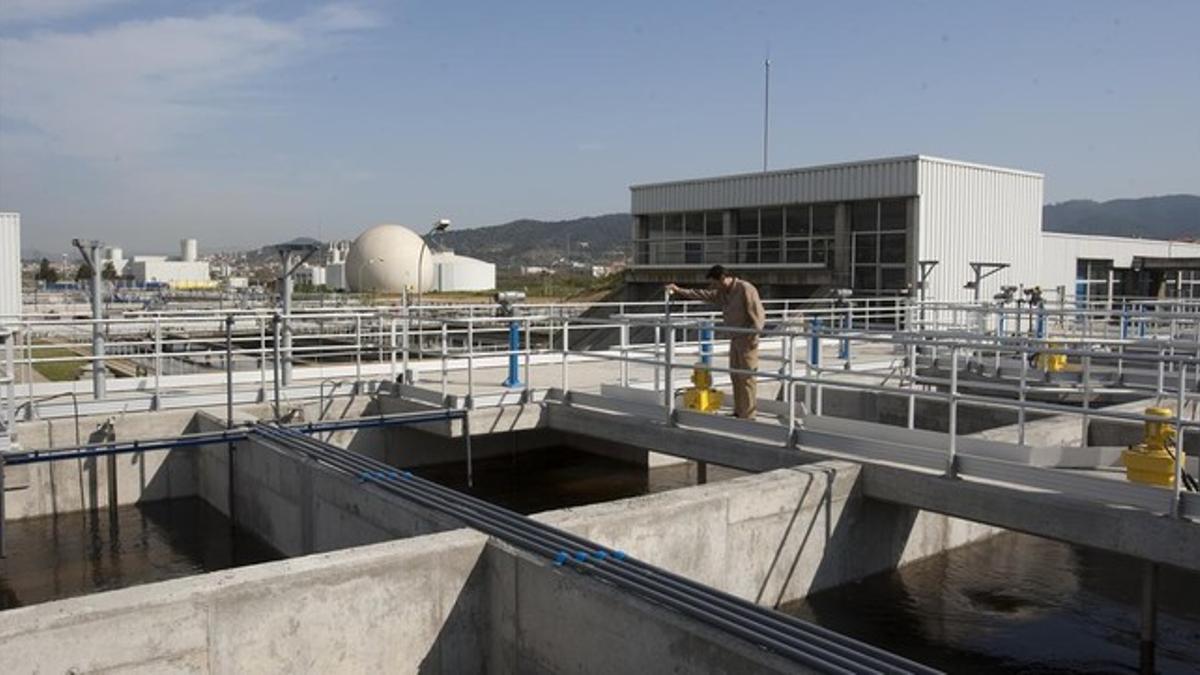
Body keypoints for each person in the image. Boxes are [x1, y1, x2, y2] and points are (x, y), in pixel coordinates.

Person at [666, 265, 766, 418]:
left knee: (747, 378)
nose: (713, 287)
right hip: (735, 338)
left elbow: (758, 315)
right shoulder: (723, 292)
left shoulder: (745, 288)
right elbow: (703, 294)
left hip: (746, 339)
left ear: (722, 279)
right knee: (736, 376)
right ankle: (740, 411)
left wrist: (753, 337)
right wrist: (679, 290)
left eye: (714, 283)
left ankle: (749, 414)